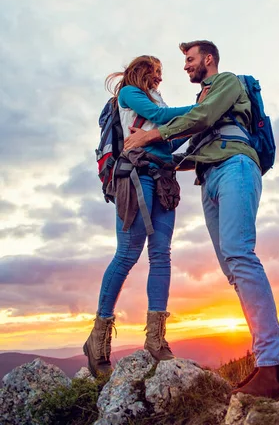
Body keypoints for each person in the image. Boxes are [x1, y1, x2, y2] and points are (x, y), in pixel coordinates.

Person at [124, 41, 279, 401]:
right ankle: (270, 366)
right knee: (234, 268)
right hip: (210, 178)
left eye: (189, 59)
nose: (185, 66)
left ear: (209, 59)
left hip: (235, 168)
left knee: (240, 255)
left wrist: (151, 134)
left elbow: (202, 119)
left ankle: (274, 366)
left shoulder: (227, 82)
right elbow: (194, 138)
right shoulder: (203, 97)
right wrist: (149, 154)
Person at [84, 55, 195, 377]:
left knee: (161, 255)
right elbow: (160, 117)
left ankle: (156, 340)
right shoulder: (130, 93)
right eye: (155, 71)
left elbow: (170, 136)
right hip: (135, 175)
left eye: (162, 73)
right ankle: (98, 338)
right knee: (128, 252)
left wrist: (196, 122)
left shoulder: (157, 98)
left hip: (162, 176)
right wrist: (201, 109)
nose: (160, 77)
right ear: (141, 71)